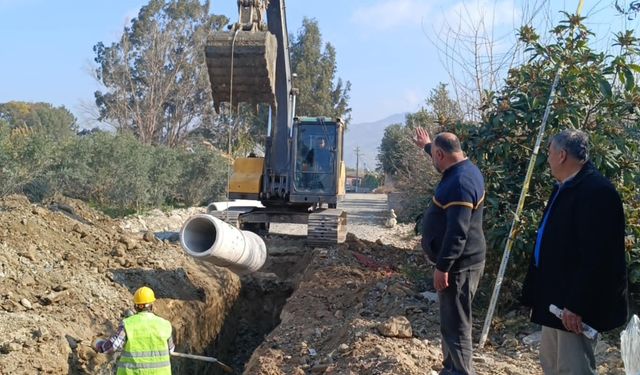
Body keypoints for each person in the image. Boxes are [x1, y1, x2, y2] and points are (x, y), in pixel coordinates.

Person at [521, 129, 628, 374]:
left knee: (573, 368)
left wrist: (576, 304)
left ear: (561, 155)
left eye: (549, 153)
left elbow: (598, 257)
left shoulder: (596, 192)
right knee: (552, 364)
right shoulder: (565, 187)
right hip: (555, 300)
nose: (547, 159)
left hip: (573, 306)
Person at [413, 127, 486, 375]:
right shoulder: (462, 168)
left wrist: (442, 267)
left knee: (457, 326)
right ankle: (451, 369)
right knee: (451, 324)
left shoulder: (461, 184)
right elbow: (440, 154)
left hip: (458, 267)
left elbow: (458, 232)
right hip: (461, 263)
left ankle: (461, 371)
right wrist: (426, 145)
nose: (432, 157)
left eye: (433, 154)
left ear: (441, 154)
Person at [95, 286, 175, 375]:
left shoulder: (128, 324)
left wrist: (99, 344)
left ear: (135, 306)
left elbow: (112, 347)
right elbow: (170, 350)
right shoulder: (165, 324)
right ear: (152, 305)